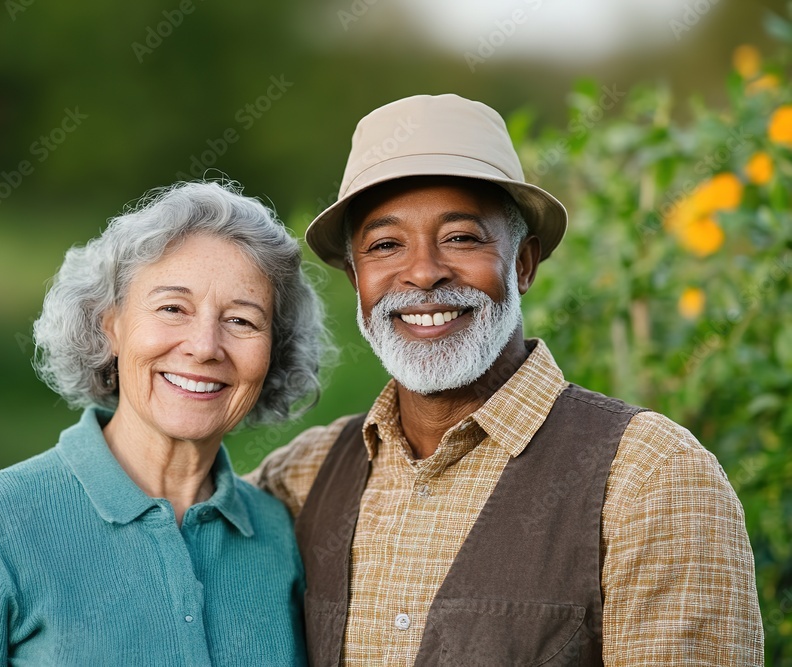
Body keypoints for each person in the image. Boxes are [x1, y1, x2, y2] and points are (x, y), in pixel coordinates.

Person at [249, 94, 765, 665]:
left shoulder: (651, 476)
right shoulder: (302, 476)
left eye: (462, 237)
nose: (422, 272)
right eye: (386, 245)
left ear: (523, 265)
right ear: (356, 280)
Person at [0, 181, 325, 666]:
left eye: (241, 320)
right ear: (110, 325)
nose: (204, 346)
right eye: (173, 308)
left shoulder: (282, 537)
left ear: (273, 351)